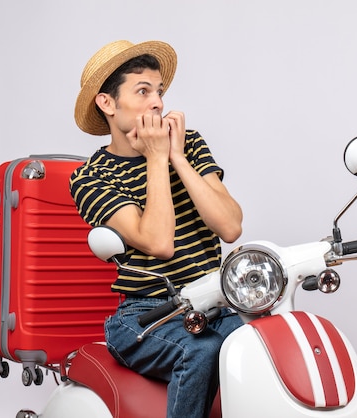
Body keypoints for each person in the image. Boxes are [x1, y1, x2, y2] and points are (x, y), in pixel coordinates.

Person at [70, 40, 244, 418]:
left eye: (160, 92)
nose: (158, 104)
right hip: (145, 315)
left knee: (259, 344)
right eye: (143, 91)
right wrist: (156, 158)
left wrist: (177, 158)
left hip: (215, 300)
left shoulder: (190, 145)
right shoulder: (90, 177)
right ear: (107, 103)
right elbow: (158, 242)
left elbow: (230, 227)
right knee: (199, 350)